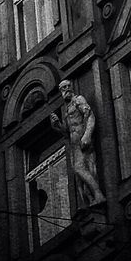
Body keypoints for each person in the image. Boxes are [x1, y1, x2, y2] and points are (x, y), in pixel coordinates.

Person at [50, 78, 104, 208]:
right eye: (63, 88)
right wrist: (57, 125)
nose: (67, 89)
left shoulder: (78, 100)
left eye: (68, 86)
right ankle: (90, 200)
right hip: (75, 145)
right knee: (80, 178)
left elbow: (90, 116)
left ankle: (99, 195)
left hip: (83, 140)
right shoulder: (66, 109)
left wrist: (87, 135)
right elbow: (67, 132)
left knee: (79, 168)